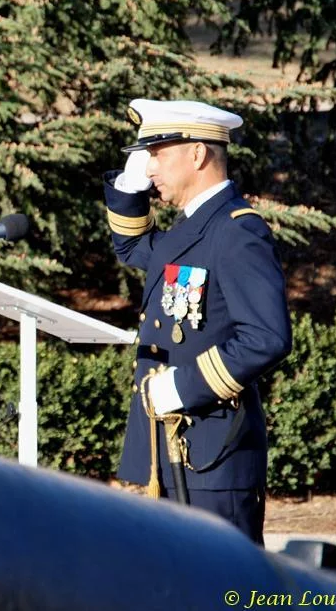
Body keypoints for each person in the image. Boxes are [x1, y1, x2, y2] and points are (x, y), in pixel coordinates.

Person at [102, 99, 292, 543]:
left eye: (157, 154)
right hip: (175, 451)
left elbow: (266, 337)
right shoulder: (193, 227)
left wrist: (183, 387)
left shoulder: (236, 230)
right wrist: (130, 187)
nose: (150, 168)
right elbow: (133, 249)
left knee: (223, 581)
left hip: (212, 456)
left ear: (198, 153)